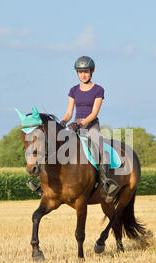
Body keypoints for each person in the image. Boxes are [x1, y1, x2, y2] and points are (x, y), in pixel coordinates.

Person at [60, 56, 119, 203]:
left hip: (91, 125)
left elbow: (94, 113)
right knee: (58, 146)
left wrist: (81, 124)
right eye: (80, 72)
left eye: (86, 72)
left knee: (100, 149)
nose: (83, 75)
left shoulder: (98, 90)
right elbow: (69, 113)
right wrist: (63, 122)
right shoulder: (73, 90)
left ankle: (107, 183)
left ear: (91, 72)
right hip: (74, 124)